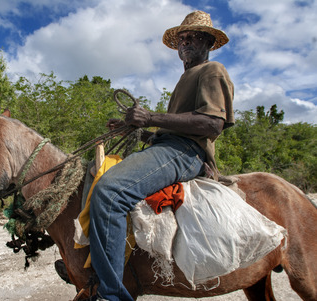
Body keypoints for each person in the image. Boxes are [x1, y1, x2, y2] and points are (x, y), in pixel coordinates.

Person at [88, 11, 235, 300]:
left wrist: (151, 117)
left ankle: (112, 295)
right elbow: (167, 131)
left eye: (193, 36)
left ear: (208, 41)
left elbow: (212, 124)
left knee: (110, 191)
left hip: (185, 152)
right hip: (168, 146)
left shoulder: (212, 70)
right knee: (95, 176)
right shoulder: (185, 78)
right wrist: (133, 131)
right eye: (182, 38)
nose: (186, 42)